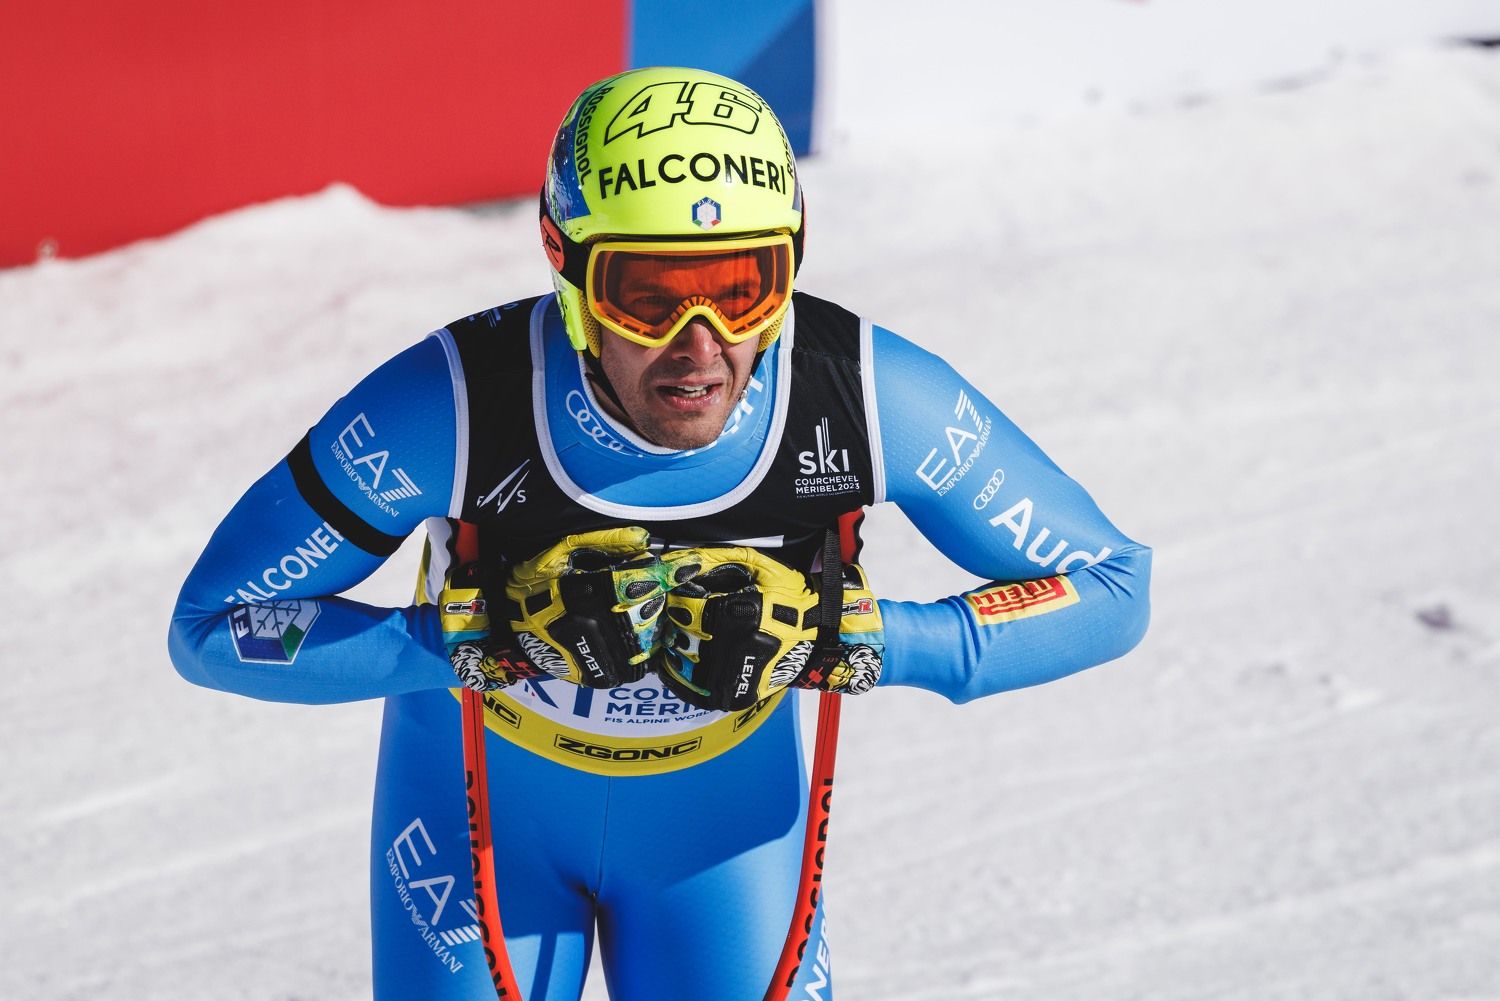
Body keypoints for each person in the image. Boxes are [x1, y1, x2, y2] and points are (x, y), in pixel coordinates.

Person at [169, 65, 1151, 1001]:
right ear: (568, 268)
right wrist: (463, 637)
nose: (701, 344)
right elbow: (213, 624)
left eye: (743, 289)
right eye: (647, 295)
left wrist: (857, 637)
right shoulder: (455, 402)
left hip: (716, 843)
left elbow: (1112, 584)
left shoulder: (861, 392)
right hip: (483, 830)